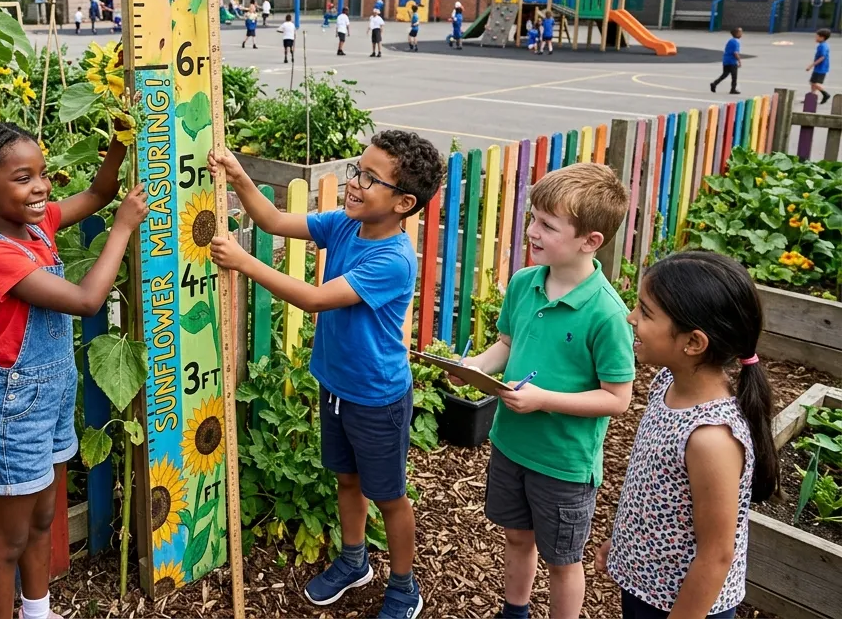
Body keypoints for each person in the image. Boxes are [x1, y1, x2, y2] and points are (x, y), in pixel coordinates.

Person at [206, 132, 445, 619]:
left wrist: (244, 261)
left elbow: (315, 299)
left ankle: (404, 585)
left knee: (389, 495)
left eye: (370, 179)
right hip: (335, 384)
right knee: (346, 481)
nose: (354, 184)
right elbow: (271, 218)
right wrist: (238, 175)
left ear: (403, 203)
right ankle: (355, 561)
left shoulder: (393, 259)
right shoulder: (343, 225)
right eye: (358, 170)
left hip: (376, 397)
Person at [0, 122, 148, 619]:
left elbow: (100, 191)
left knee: (42, 518)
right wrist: (122, 227)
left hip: (52, 395)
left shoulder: (35, 225)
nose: (40, 187)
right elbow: (86, 300)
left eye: (42, 174)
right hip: (12, 408)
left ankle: (38, 612)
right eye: (22, 178)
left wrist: (121, 135)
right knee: (7, 540)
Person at [456, 163, 635, 619]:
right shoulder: (524, 283)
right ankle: (514, 611)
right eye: (533, 219)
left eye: (547, 225)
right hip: (511, 444)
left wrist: (543, 400)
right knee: (516, 537)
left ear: (590, 241)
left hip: (563, 463)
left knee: (562, 561)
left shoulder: (606, 314)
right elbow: (507, 344)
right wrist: (474, 366)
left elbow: (618, 399)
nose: (532, 232)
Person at [597, 251, 777, 619]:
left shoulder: (711, 437)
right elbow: (656, 495)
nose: (631, 318)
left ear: (694, 343)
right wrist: (624, 548)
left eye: (645, 312)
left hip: (685, 606)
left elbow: (716, 555)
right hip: (646, 585)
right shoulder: (668, 382)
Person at [711, 27, 742, 94]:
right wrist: (739, 61)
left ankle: (714, 83)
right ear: (736, 34)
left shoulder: (730, 41)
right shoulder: (736, 42)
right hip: (732, 61)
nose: (741, 34)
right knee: (734, 76)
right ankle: (733, 89)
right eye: (740, 32)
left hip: (726, 60)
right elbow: (735, 53)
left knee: (724, 74)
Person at [808, 28, 831, 103]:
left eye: (817, 36)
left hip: (821, 68)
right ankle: (812, 98)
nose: (815, 38)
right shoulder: (823, 45)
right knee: (813, 82)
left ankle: (825, 94)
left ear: (822, 37)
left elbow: (822, 57)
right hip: (820, 67)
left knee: (813, 83)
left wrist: (811, 65)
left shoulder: (822, 46)